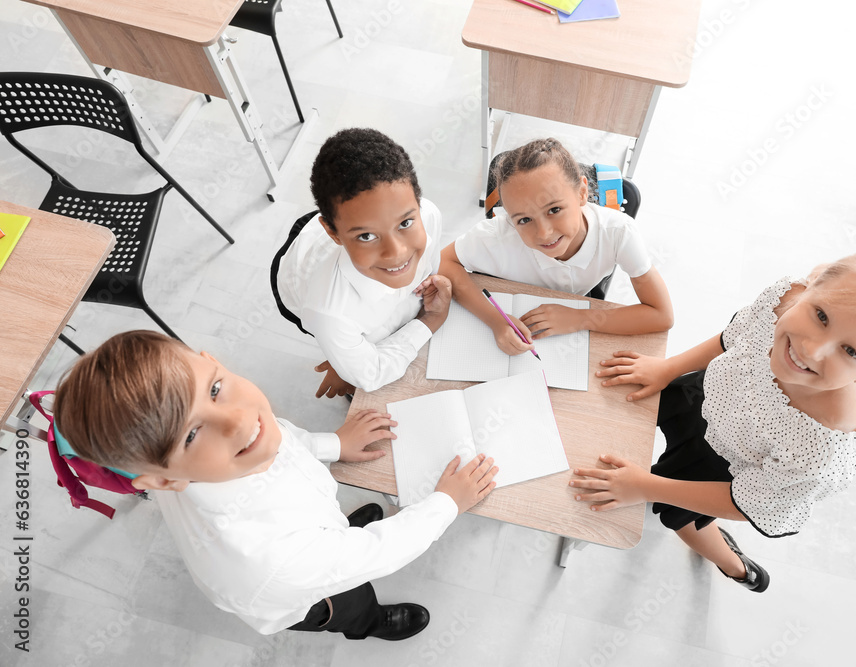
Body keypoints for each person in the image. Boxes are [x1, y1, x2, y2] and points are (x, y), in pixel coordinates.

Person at [53, 331, 497, 637]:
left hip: (311, 532)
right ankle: (369, 623)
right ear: (164, 479)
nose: (237, 420)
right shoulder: (272, 560)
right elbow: (378, 552)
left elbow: (285, 439)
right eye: (191, 434)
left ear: (212, 362)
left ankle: (337, 531)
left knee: (335, 542)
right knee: (350, 600)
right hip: (303, 594)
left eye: (214, 390)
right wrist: (446, 503)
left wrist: (333, 444)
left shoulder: (241, 443)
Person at [571, 249, 856, 592]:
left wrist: (647, 486)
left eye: (850, 351)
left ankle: (736, 568)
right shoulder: (785, 297)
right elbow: (732, 338)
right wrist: (668, 369)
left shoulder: (820, 449)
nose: (811, 349)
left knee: (682, 520)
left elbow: (744, 501)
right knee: (629, 406)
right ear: (813, 283)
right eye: (820, 316)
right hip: (708, 393)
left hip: (726, 467)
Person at [439, 138, 673, 356]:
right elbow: (442, 261)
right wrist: (495, 320)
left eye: (554, 210)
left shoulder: (618, 232)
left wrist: (580, 319)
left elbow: (661, 314)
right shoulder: (498, 236)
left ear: (582, 193)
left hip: (572, 323)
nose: (544, 233)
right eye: (524, 220)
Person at [274, 128, 451, 397]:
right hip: (299, 266)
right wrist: (429, 321)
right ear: (333, 233)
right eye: (367, 236)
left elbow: (427, 272)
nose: (396, 252)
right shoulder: (327, 312)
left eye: (405, 222)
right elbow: (371, 374)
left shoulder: (429, 215)